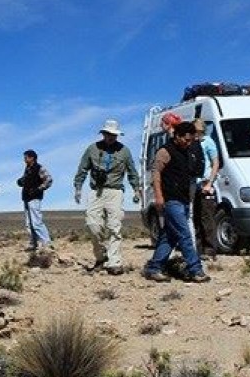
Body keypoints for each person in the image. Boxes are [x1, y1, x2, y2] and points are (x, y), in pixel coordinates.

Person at [143, 121, 210, 283]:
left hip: (184, 199)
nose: (189, 143)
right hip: (171, 200)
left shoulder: (187, 151)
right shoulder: (165, 152)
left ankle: (154, 267)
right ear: (177, 136)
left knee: (169, 236)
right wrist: (159, 196)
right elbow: (156, 173)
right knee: (184, 235)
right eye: (186, 139)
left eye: (191, 140)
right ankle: (196, 269)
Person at [73, 119, 141, 275]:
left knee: (114, 226)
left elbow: (132, 172)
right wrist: (78, 188)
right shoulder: (92, 149)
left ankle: (114, 262)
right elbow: (82, 169)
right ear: (103, 134)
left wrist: (136, 189)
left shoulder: (124, 151)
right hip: (96, 191)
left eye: (114, 135)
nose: (111, 137)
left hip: (115, 191)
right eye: (108, 134)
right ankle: (101, 256)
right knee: (93, 224)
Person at [192, 119, 220, 257]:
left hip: (205, 183)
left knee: (207, 217)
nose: (197, 134)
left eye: (199, 131)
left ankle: (210, 249)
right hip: (193, 183)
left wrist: (210, 182)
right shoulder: (191, 142)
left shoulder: (208, 142)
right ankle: (197, 249)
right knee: (194, 217)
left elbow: (215, 163)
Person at [16, 149, 53, 251]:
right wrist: (20, 181)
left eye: (26, 157)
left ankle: (47, 243)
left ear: (32, 158)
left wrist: (38, 189)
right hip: (26, 198)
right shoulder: (28, 169)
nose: (24, 159)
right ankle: (34, 243)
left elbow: (49, 180)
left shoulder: (39, 168)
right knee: (29, 223)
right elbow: (25, 180)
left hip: (34, 198)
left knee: (36, 222)